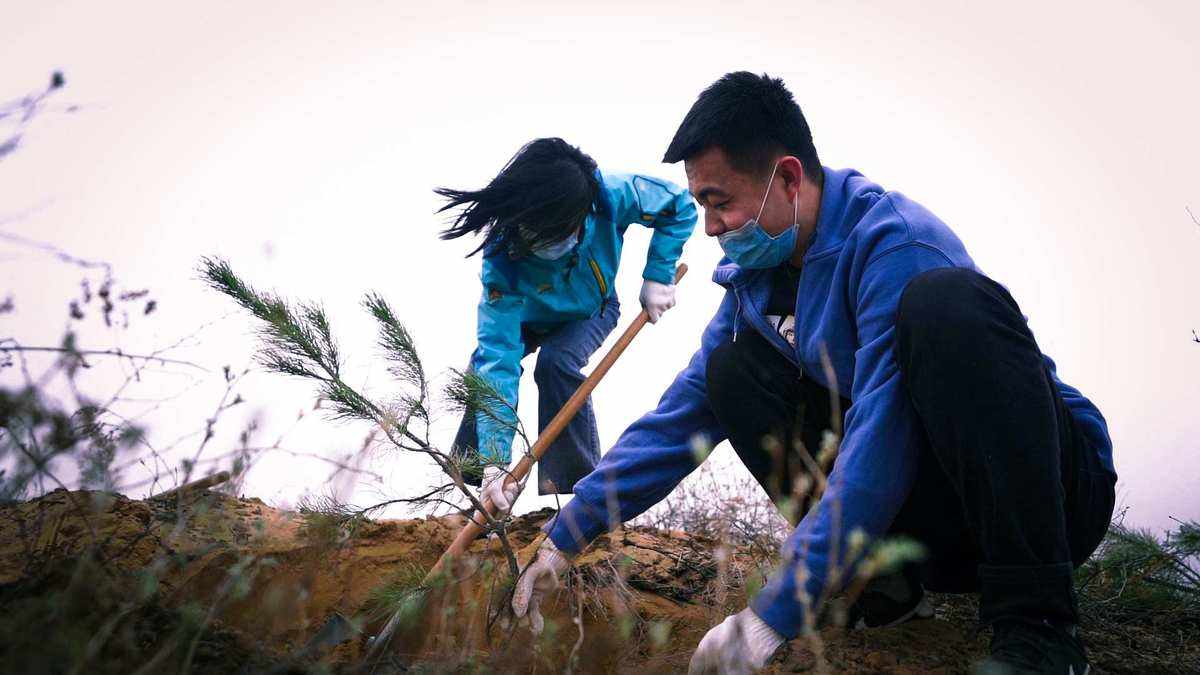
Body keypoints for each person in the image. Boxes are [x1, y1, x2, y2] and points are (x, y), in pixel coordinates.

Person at [510, 74, 1116, 675]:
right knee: (730, 371)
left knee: (946, 305)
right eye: (702, 206)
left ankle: (1039, 628)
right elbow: (678, 419)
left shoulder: (896, 246)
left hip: (1051, 497)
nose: (712, 226)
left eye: (721, 202)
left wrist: (772, 613)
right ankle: (883, 588)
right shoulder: (755, 283)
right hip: (939, 521)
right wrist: (567, 536)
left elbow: (885, 432)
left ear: (790, 179)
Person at [438, 137, 697, 515]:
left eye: (560, 232)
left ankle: (576, 493)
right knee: (482, 370)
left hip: (591, 310)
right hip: (527, 318)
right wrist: (497, 459)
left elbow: (678, 205)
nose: (550, 243)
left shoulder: (609, 195)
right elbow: (499, 359)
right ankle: (481, 488)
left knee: (557, 365)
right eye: (538, 234)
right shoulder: (503, 262)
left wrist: (658, 274)